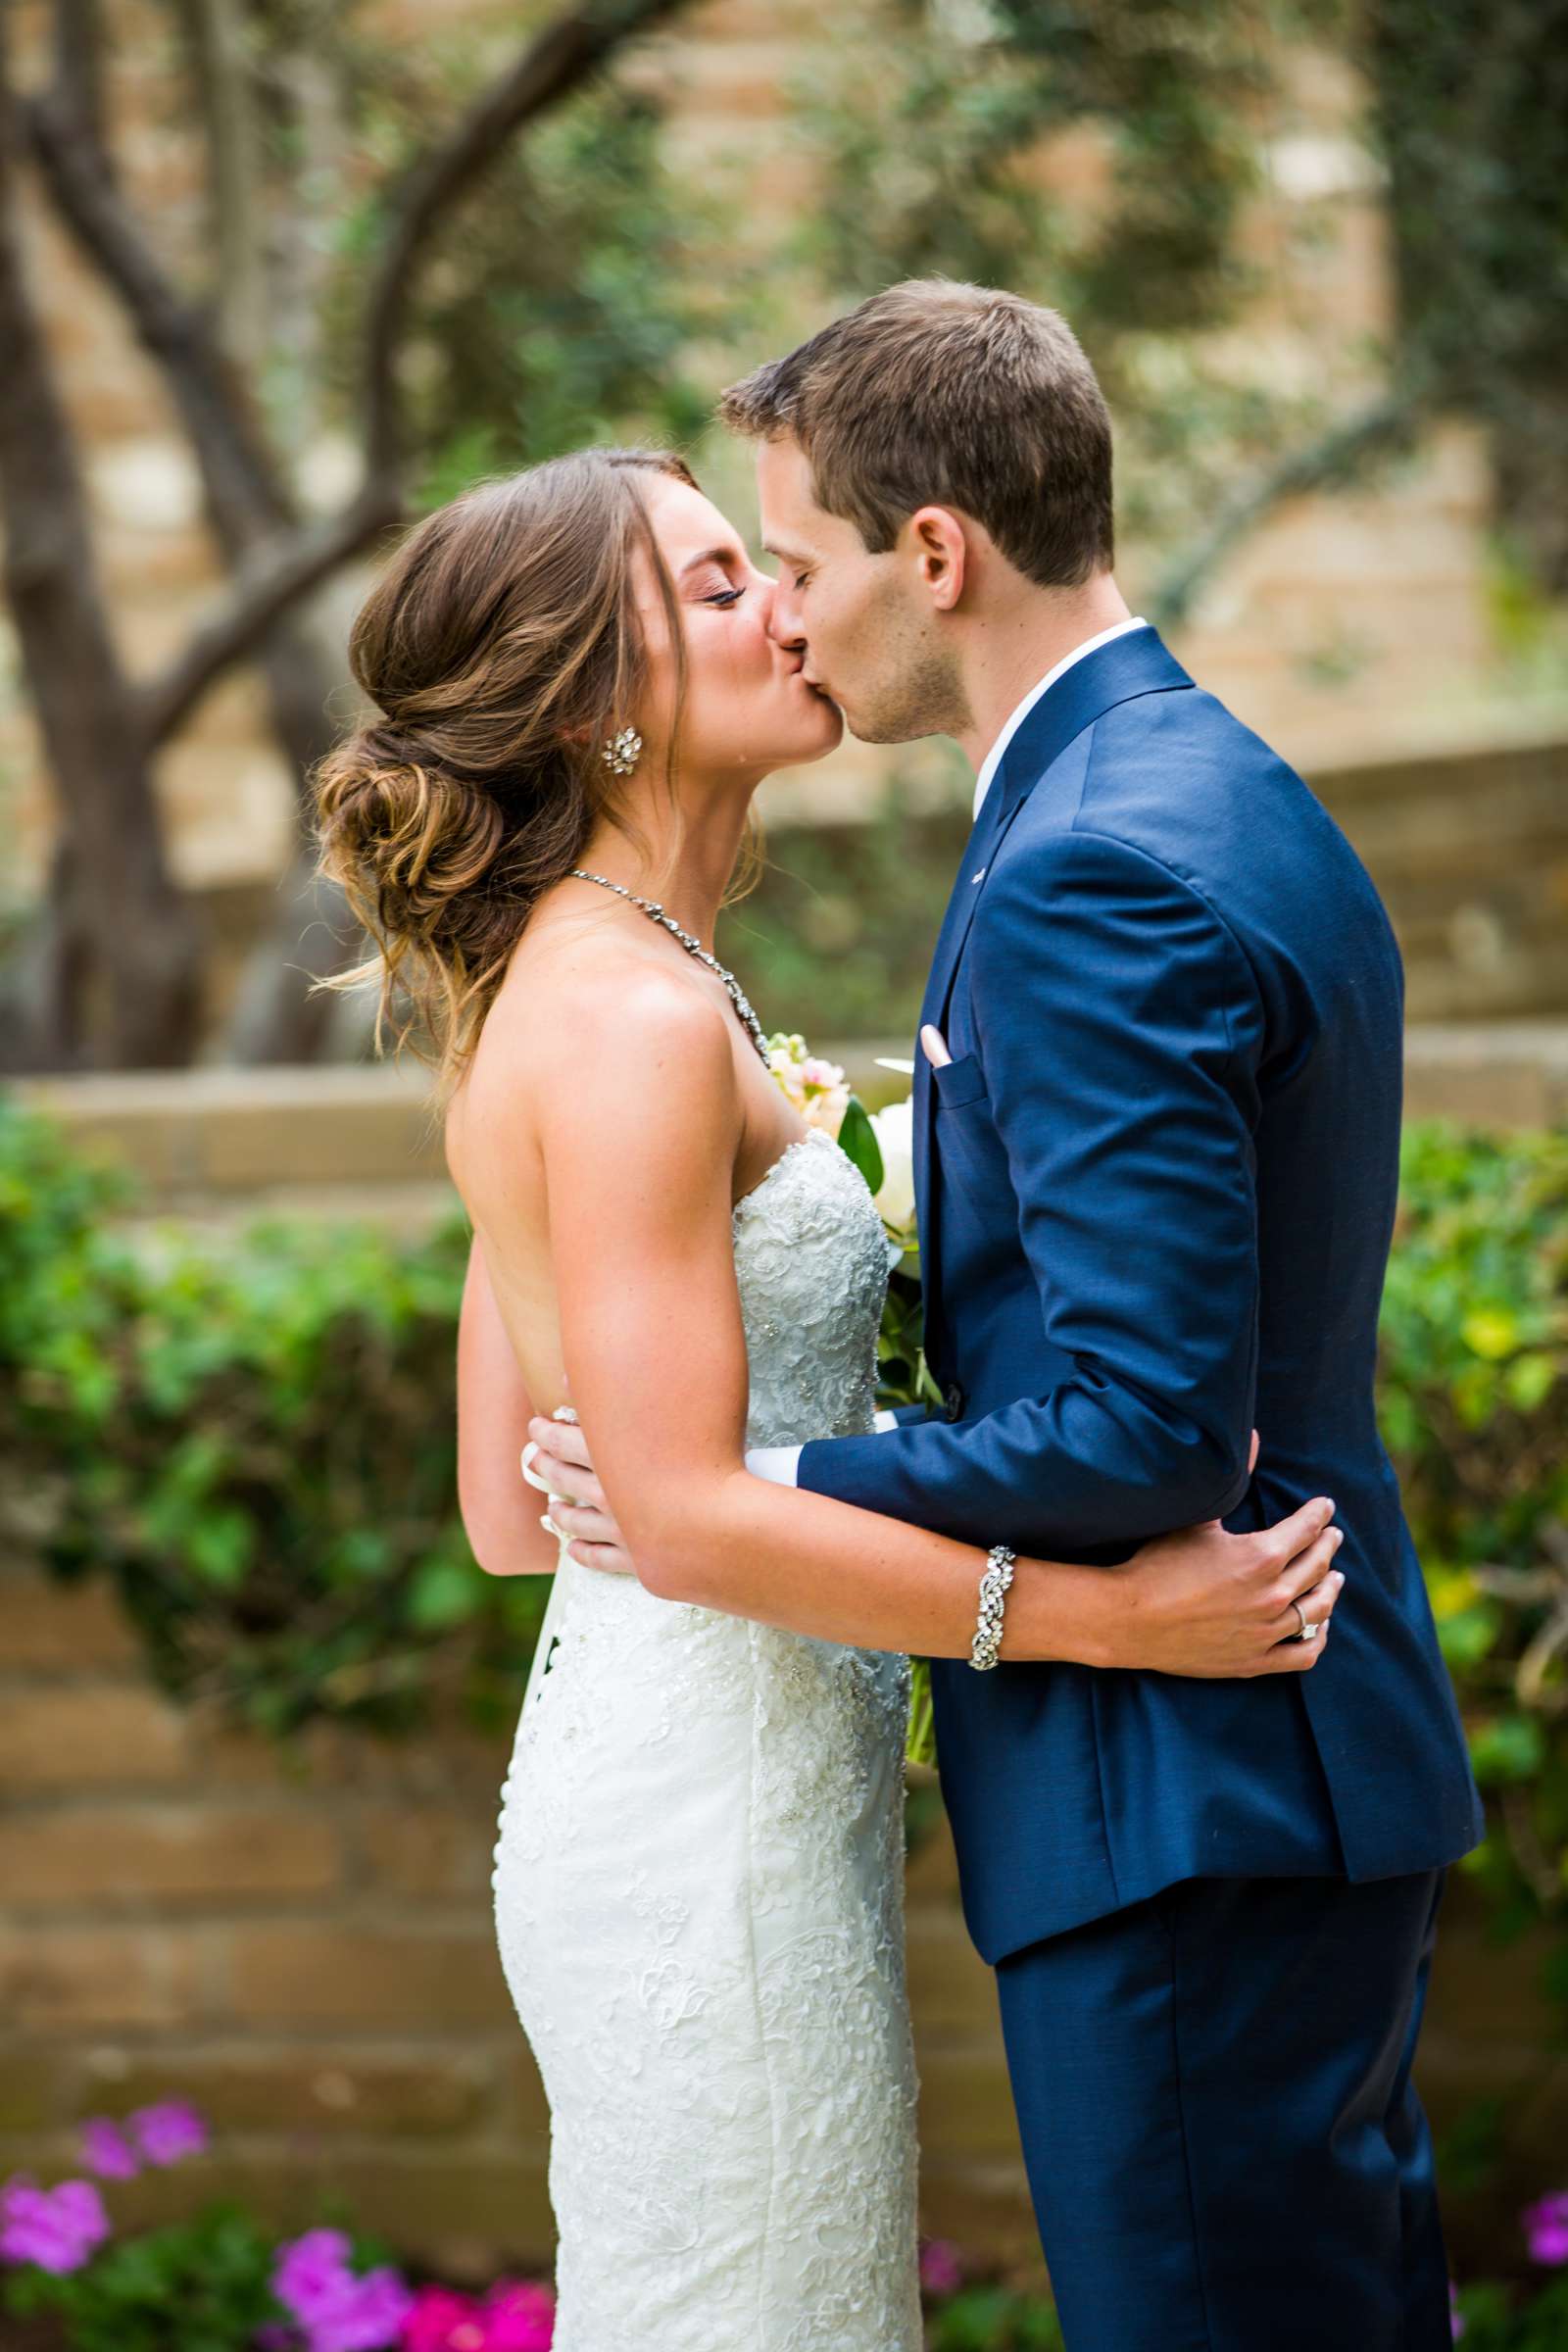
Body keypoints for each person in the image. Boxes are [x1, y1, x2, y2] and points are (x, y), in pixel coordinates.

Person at [310, 435, 1348, 2352]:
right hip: (708, 1842)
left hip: (710, 1789)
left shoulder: (610, 983)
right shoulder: (619, 1017)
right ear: (590, 710)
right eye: (716, 587)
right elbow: (672, 1513)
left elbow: (509, 1502)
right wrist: (1108, 1618)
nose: (785, 605)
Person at [526, 283, 1487, 2352]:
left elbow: (1141, 1427)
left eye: (790, 562)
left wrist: (748, 1481)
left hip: (1184, 1793)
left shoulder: (1085, 868)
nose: (783, 616)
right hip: (1266, 1778)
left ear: (932, 557)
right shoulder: (1196, 781)